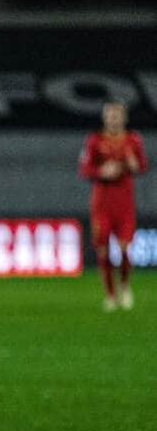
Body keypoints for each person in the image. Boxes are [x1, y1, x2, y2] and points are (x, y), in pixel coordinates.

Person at [79, 100, 148, 311]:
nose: (113, 119)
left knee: (126, 248)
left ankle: (125, 287)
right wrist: (101, 172)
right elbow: (84, 170)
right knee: (102, 251)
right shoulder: (95, 141)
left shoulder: (133, 141)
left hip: (124, 203)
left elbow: (143, 167)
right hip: (102, 203)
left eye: (117, 115)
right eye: (110, 115)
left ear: (124, 118)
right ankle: (110, 295)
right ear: (105, 117)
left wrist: (135, 166)